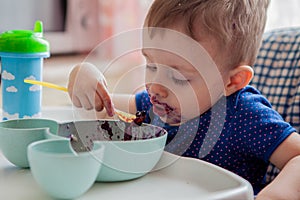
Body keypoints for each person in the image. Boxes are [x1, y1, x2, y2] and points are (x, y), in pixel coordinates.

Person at [67, 0, 300, 199]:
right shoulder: (155, 105)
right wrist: (84, 77)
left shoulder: (245, 115)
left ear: (232, 81)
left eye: (177, 76)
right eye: (152, 65)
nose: (155, 86)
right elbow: (101, 106)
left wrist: (275, 195)